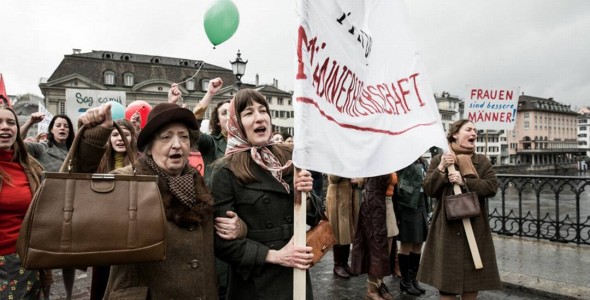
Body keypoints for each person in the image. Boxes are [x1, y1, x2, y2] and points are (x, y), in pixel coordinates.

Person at [74, 102, 243, 299]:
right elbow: (79, 195)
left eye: (184, 137)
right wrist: (91, 140)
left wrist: (239, 228)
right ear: (149, 147)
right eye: (166, 137)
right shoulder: (129, 180)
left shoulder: (199, 184)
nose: (177, 144)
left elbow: (212, 240)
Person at [211, 89, 322, 300]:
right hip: (255, 281)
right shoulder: (225, 169)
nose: (259, 117)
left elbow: (315, 216)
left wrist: (304, 194)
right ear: (237, 124)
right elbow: (222, 243)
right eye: (249, 113)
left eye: (263, 110)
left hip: (295, 276)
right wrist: (276, 256)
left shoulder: (288, 157)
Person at [418, 119, 501, 300]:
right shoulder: (439, 160)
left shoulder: (482, 161)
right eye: (469, 129)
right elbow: (429, 190)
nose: (474, 133)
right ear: (455, 133)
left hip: (475, 229)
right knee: (447, 289)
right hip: (447, 229)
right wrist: (441, 170)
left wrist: (465, 181)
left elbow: (492, 188)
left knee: (471, 286)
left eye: (475, 131)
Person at [21, 113, 76, 300]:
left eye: (66, 126)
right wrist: (29, 122)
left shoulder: (75, 151)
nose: (63, 128)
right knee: (46, 259)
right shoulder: (42, 148)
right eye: (58, 125)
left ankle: (69, 295)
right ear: (51, 129)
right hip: (48, 209)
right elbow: (16, 144)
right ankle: (46, 296)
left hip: (71, 209)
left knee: (69, 259)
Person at [90, 119, 138, 300]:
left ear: (133, 137)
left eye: (125, 134)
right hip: (103, 233)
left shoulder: (140, 164)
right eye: (115, 134)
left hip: (129, 230)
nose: (120, 138)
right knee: (102, 282)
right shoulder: (99, 162)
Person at [0, 105, 44, 299]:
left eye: (11, 122)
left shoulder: (30, 166)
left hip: (24, 261)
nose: (5, 127)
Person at [351, 174, 395, 300]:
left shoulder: (390, 162)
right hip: (375, 205)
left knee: (385, 248)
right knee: (375, 247)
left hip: (386, 205)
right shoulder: (378, 162)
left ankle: (380, 284)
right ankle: (372, 289)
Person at [395, 158, 429, 295]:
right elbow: (399, 181)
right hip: (407, 204)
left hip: (421, 202)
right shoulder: (403, 160)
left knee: (419, 242)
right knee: (407, 243)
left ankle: (413, 279)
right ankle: (405, 281)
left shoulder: (423, 162)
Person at [325, 175, 362, 279]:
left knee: (348, 230)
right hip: (337, 197)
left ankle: (344, 263)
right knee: (337, 230)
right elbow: (332, 178)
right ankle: (338, 265)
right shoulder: (334, 158)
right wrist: (346, 171)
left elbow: (361, 173)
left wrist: (358, 180)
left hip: (350, 196)